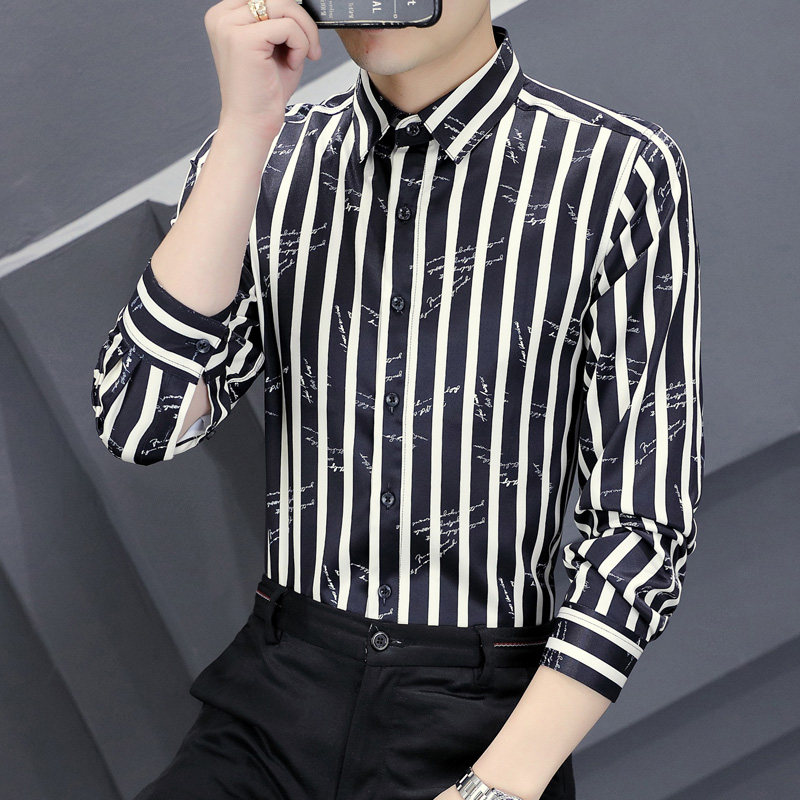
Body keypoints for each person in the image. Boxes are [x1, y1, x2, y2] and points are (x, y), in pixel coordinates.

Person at [91, 1, 704, 798]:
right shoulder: (269, 157)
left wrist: (498, 787)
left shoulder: (617, 171)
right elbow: (140, 421)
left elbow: (642, 526)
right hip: (278, 687)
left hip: (483, 713)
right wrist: (244, 130)